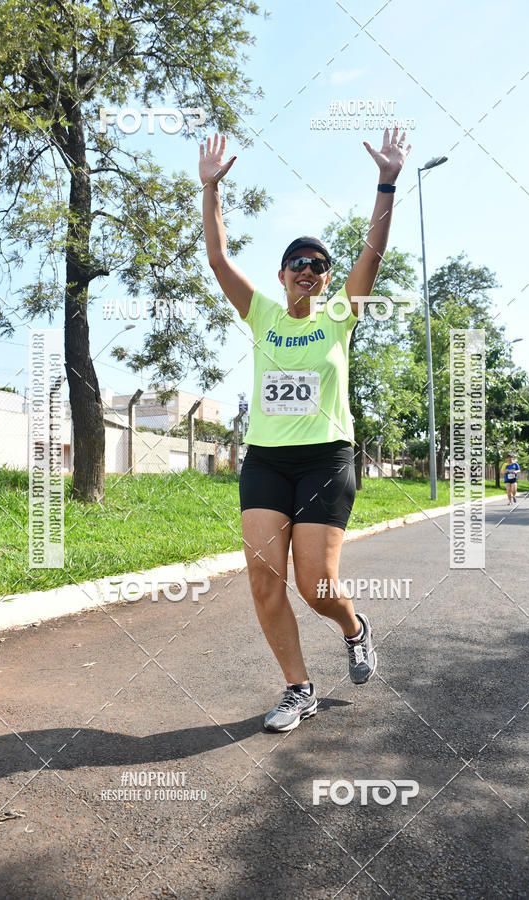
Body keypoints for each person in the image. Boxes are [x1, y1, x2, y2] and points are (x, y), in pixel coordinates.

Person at [199, 128, 411, 731]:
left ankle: (353, 627)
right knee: (265, 584)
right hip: (267, 460)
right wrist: (211, 188)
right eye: (299, 262)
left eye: (319, 265)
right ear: (283, 271)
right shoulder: (262, 312)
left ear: (325, 279)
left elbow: (371, 254)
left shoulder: (341, 315)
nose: (309, 270)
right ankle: (299, 690)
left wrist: (387, 182)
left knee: (316, 585)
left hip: (326, 460)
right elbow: (217, 258)